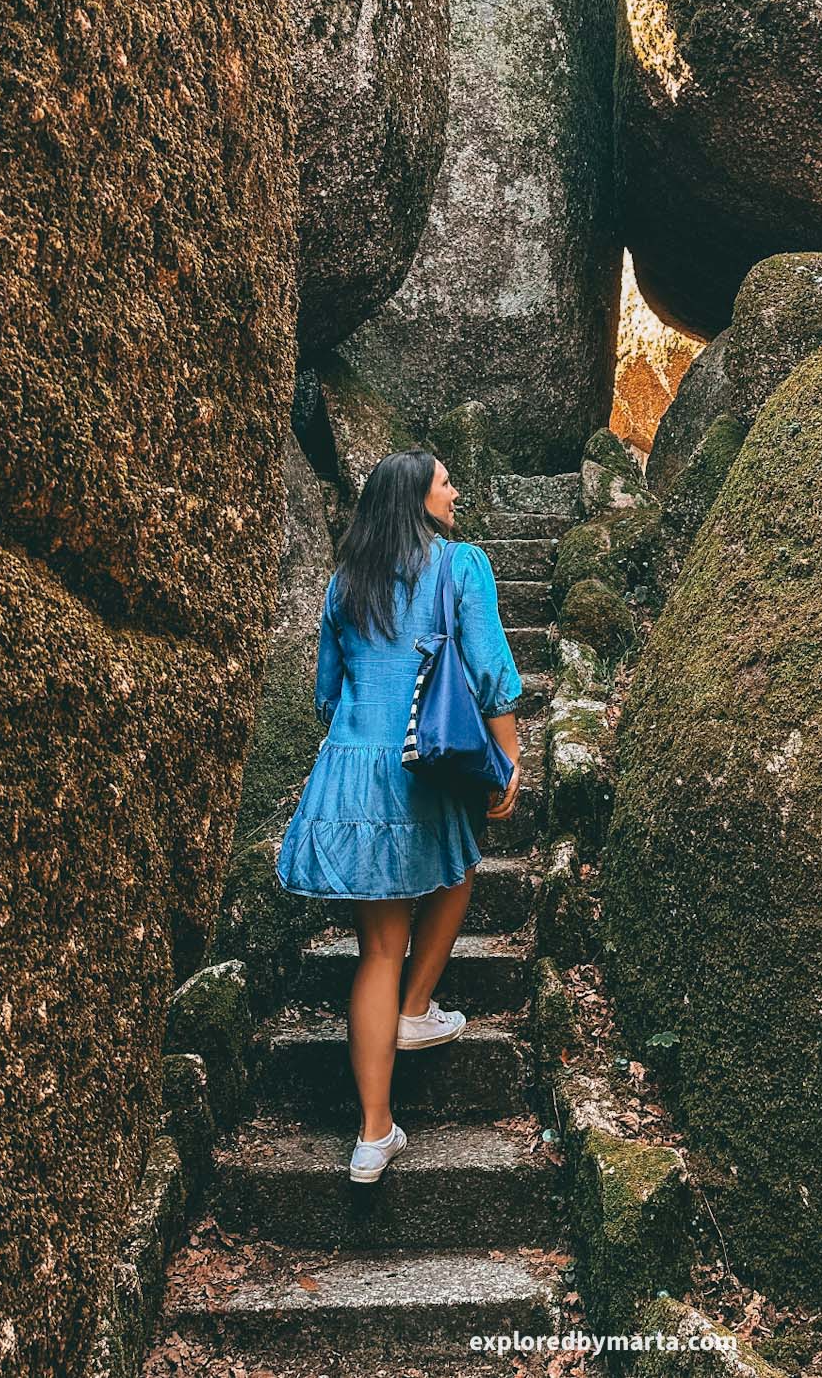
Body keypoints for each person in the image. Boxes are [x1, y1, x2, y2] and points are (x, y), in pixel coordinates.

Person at [275, 447, 524, 1184]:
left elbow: (326, 689)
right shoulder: (460, 565)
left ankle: (372, 1134)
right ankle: (417, 1007)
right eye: (446, 483)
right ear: (417, 497)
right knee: (459, 867)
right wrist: (507, 762)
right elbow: (489, 672)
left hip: (352, 772)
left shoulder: (342, 583)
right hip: (426, 764)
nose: (454, 492)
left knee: (377, 950)